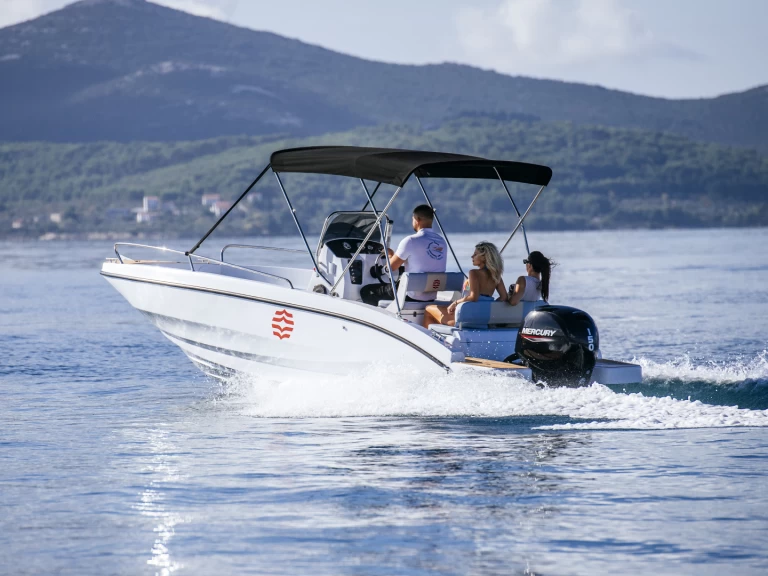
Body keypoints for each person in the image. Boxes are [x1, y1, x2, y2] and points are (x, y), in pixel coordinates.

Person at [359, 205, 447, 306]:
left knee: (366, 291)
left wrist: (391, 254)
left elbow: (390, 268)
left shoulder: (410, 241)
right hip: (430, 296)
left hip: (411, 296)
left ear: (417, 219)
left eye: (412, 219)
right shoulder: (442, 242)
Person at [422, 241, 507, 327]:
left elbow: (473, 297)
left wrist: (455, 303)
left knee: (428, 309)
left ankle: (430, 338)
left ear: (484, 257)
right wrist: (487, 306)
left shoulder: (474, 273)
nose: (472, 256)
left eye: (475, 254)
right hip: (483, 320)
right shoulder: (496, 275)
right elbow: (504, 297)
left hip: (466, 319)